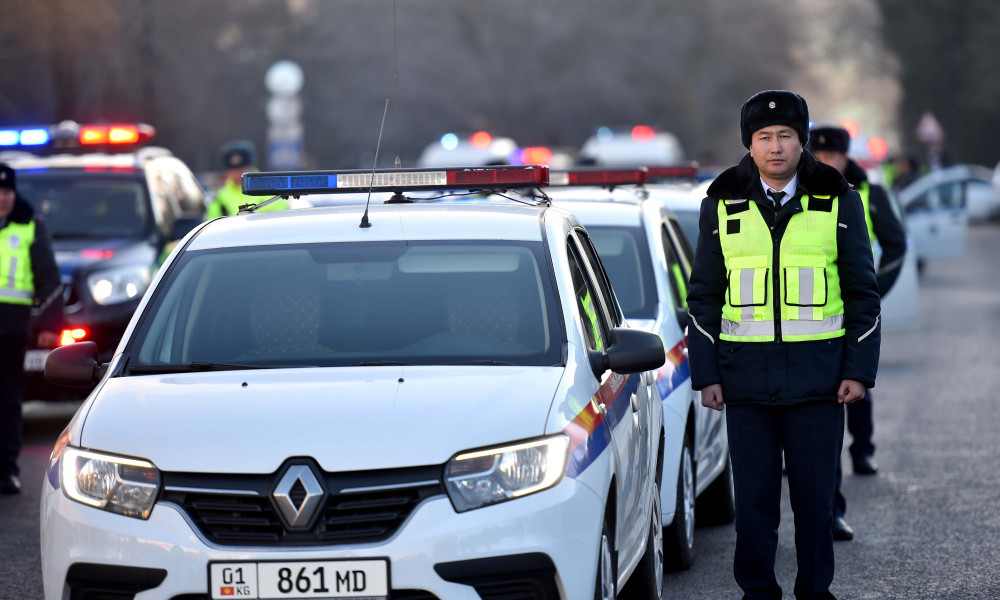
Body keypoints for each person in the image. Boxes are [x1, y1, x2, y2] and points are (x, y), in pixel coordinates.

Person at [687, 91, 881, 599]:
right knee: (753, 505)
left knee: (815, 504)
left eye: (785, 136)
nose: (775, 147)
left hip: (819, 382)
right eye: (764, 138)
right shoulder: (720, 203)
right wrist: (707, 375)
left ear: (802, 141)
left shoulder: (837, 199)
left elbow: (863, 291)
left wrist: (858, 371)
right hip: (744, 383)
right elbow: (704, 296)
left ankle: (815, 592)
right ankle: (758, 592)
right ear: (749, 145)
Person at [808, 125, 907, 541]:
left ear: (847, 158)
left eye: (836, 156)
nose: (829, 163)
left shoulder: (867, 193)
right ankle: (824, 507)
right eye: (822, 156)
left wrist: (871, 291)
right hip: (812, 318)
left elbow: (895, 244)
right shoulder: (799, 192)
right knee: (822, 412)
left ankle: (862, 449)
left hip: (855, 311)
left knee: (858, 386)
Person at [0, 163, 64, 494]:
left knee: (8, 400)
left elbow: (49, 279)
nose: (2, 198)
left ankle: (7, 470)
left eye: (7, 192)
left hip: (11, 327)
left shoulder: (29, 226)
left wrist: (51, 326)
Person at [205, 140, 288, 219]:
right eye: (234, 169)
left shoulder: (271, 193)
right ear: (228, 171)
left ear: (252, 166)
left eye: (243, 168)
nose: (239, 173)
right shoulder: (220, 200)